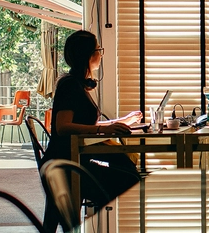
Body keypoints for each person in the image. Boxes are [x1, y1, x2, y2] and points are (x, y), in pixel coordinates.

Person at [45, 30, 141, 207]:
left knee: (128, 173)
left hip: (74, 161)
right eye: (99, 49)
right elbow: (63, 127)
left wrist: (120, 122)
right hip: (67, 167)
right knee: (130, 180)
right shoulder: (70, 85)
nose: (101, 54)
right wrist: (103, 129)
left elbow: (85, 125)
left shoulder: (76, 83)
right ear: (88, 55)